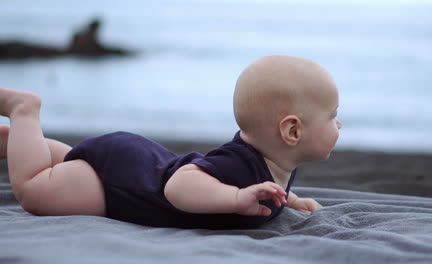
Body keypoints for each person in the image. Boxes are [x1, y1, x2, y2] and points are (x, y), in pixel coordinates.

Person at [0, 55, 341, 229]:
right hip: (117, 186)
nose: (338, 123)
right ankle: (23, 111)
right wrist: (234, 198)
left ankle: (17, 142)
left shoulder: (273, 163)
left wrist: (290, 200)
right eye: (332, 116)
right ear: (292, 132)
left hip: (134, 162)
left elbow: (267, 186)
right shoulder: (239, 166)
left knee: (67, 162)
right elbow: (180, 185)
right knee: (35, 189)